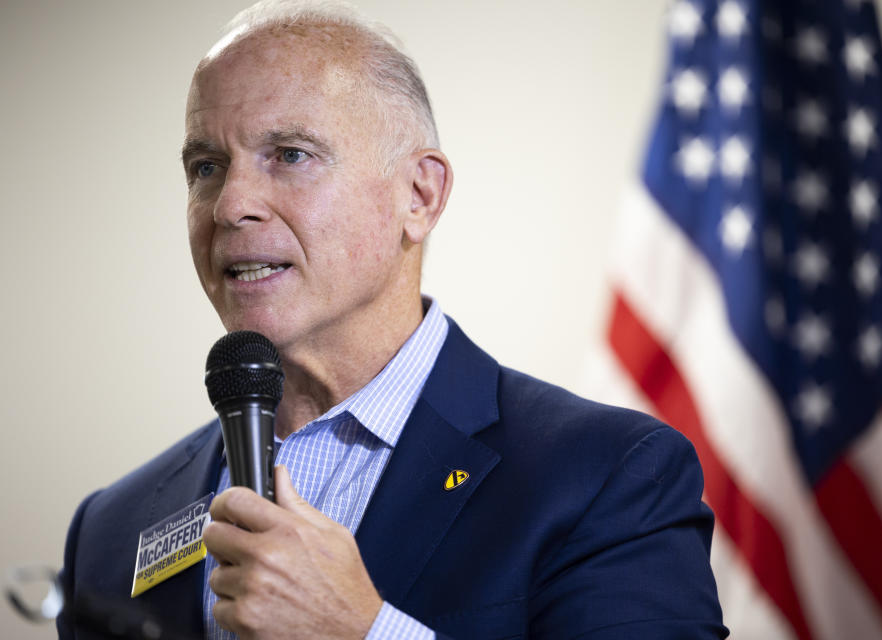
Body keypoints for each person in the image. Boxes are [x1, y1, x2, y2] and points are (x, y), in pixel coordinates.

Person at [58, 1, 727, 638]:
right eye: (206, 166)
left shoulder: (608, 477)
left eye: (290, 155)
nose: (231, 205)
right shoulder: (111, 529)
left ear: (420, 195)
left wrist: (364, 633)